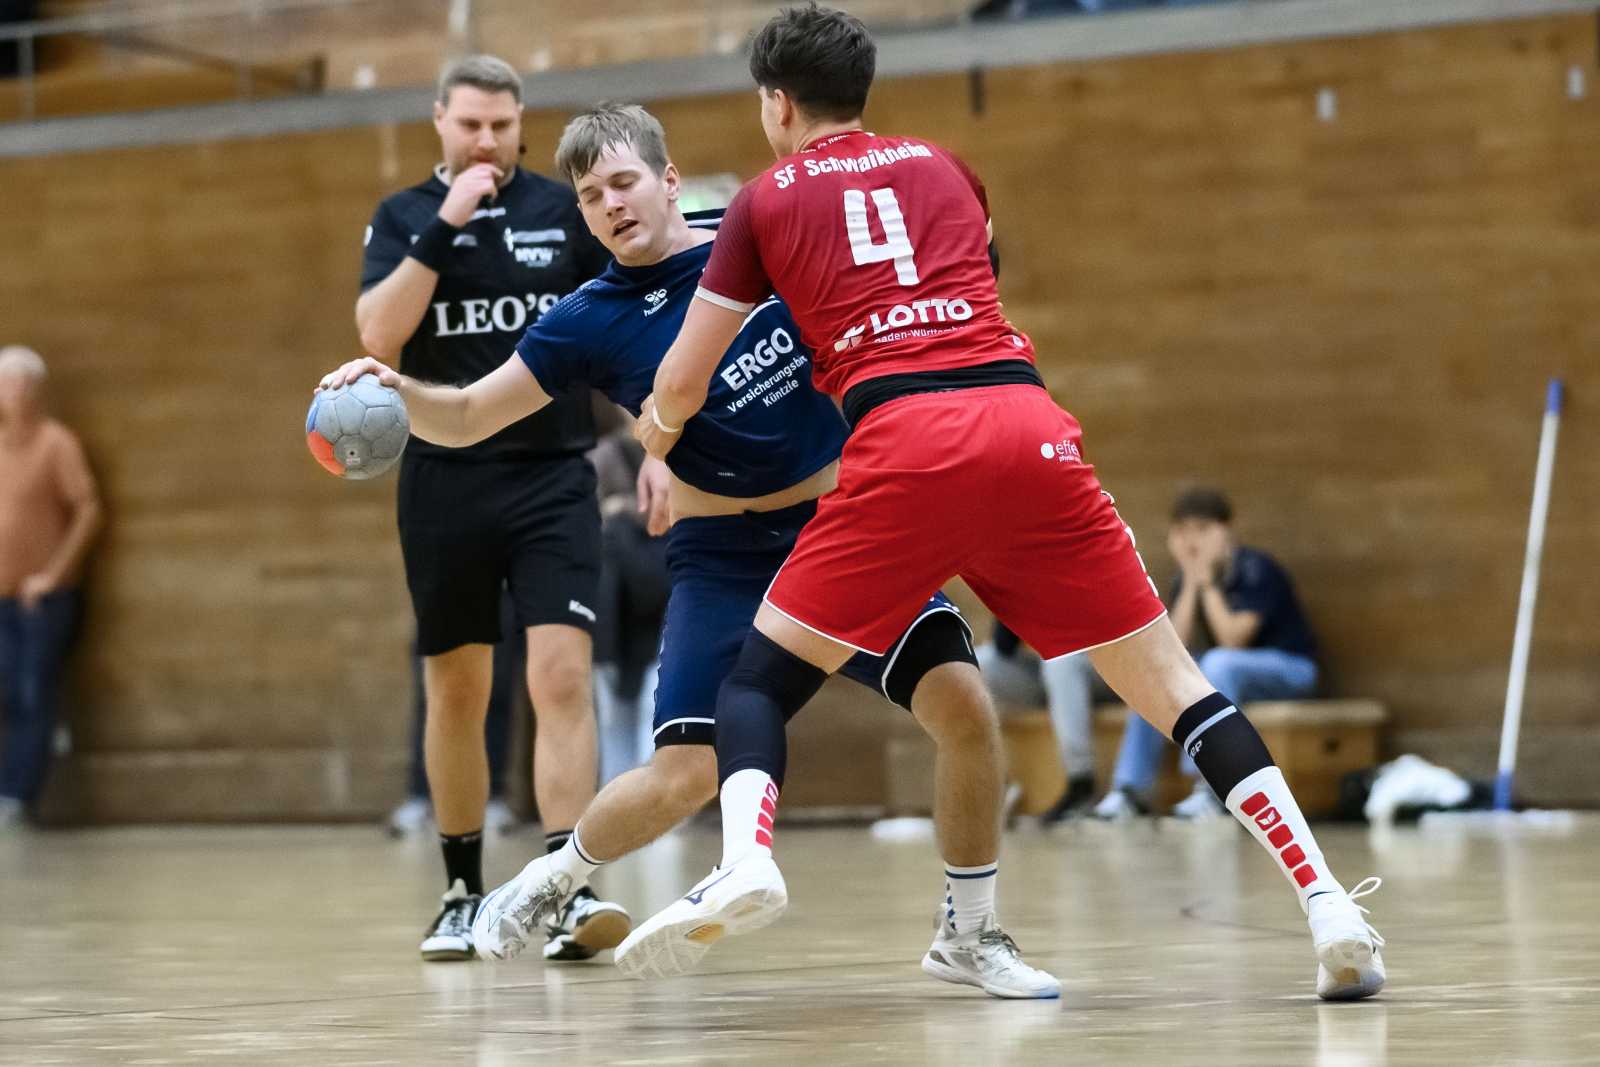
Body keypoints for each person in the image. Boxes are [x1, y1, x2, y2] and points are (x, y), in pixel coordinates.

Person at [625, 4, 1386, 1001]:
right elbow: (969, 287)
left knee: (756, 683)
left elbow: (684, 381)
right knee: (1177, 686)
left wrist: (654, 438)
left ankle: (745, 860)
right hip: (1028, 425)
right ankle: (1329, 904)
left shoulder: (763, 201)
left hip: (903, 440)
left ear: (776, 103)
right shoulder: (948, 167)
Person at [321, 102, 1059, 999]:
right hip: (722, 557)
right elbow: (473, 412)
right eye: (590, 197)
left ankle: (970, 934)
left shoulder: (760, 239)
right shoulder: (587, 318)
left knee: (965, 706)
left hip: (841, 527)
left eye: (623, 182)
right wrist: (398, 388)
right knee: (684, 774)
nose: (610, 205)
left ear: (669, 181)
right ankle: (552, 878)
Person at [355, 54, 625, 962]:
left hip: (553, 475)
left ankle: (566, 888)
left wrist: (654, 449)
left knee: (561, 676)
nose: (487, 141)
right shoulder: (405, 215)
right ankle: (462, 890)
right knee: (458, 688)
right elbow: (378, 334)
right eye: (471, 124)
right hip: (444, 480)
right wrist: (447, 222)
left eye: (503, 126)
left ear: (520, 123)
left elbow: (620, 325)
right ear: (440, 119)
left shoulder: (561, 209)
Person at [1095, 487, 1321, 820]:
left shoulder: (1257, 569)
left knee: (1219, 662)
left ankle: (1209, 788)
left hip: (1291, 669)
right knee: (1156, 675)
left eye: (1202, 529)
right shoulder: (1185, 577)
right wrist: (1191, 581)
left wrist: (1208, 583)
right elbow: (1172, 648)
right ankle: (1130, 790)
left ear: (1226, 531)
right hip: (1228, 672)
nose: (1192, 542)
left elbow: (1233, 640)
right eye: (1183, 531)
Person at [0, 345, 102, 829]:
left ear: (36, 390)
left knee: (32, 690)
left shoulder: (56, 443)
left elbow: (88, 508)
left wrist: (53, 576)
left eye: (21, 382)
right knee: (9, 689)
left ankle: (16, 795)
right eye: (5, 383)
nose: (13, 392)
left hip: (40, 602)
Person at [974, 621, 1100, 822]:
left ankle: (1081, 782)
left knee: (1060, 659)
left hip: (1099, 669)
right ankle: (994, 781)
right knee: (977, 663)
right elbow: (1004, 645)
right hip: (1048, 673)